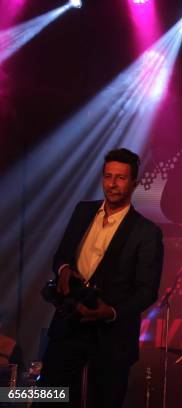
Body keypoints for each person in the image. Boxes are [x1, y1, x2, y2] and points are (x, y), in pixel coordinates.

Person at [37, 148, 164, 408]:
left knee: (104, 401)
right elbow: (61, 254)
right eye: (108, 176)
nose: (112, 184)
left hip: (112, 337)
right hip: (69, 323)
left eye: (120, 178)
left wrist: (111, 312)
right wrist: (62, 271)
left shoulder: (146, 231)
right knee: (48, 397)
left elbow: (147, 291)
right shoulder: (83, 210)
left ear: (134, 183)